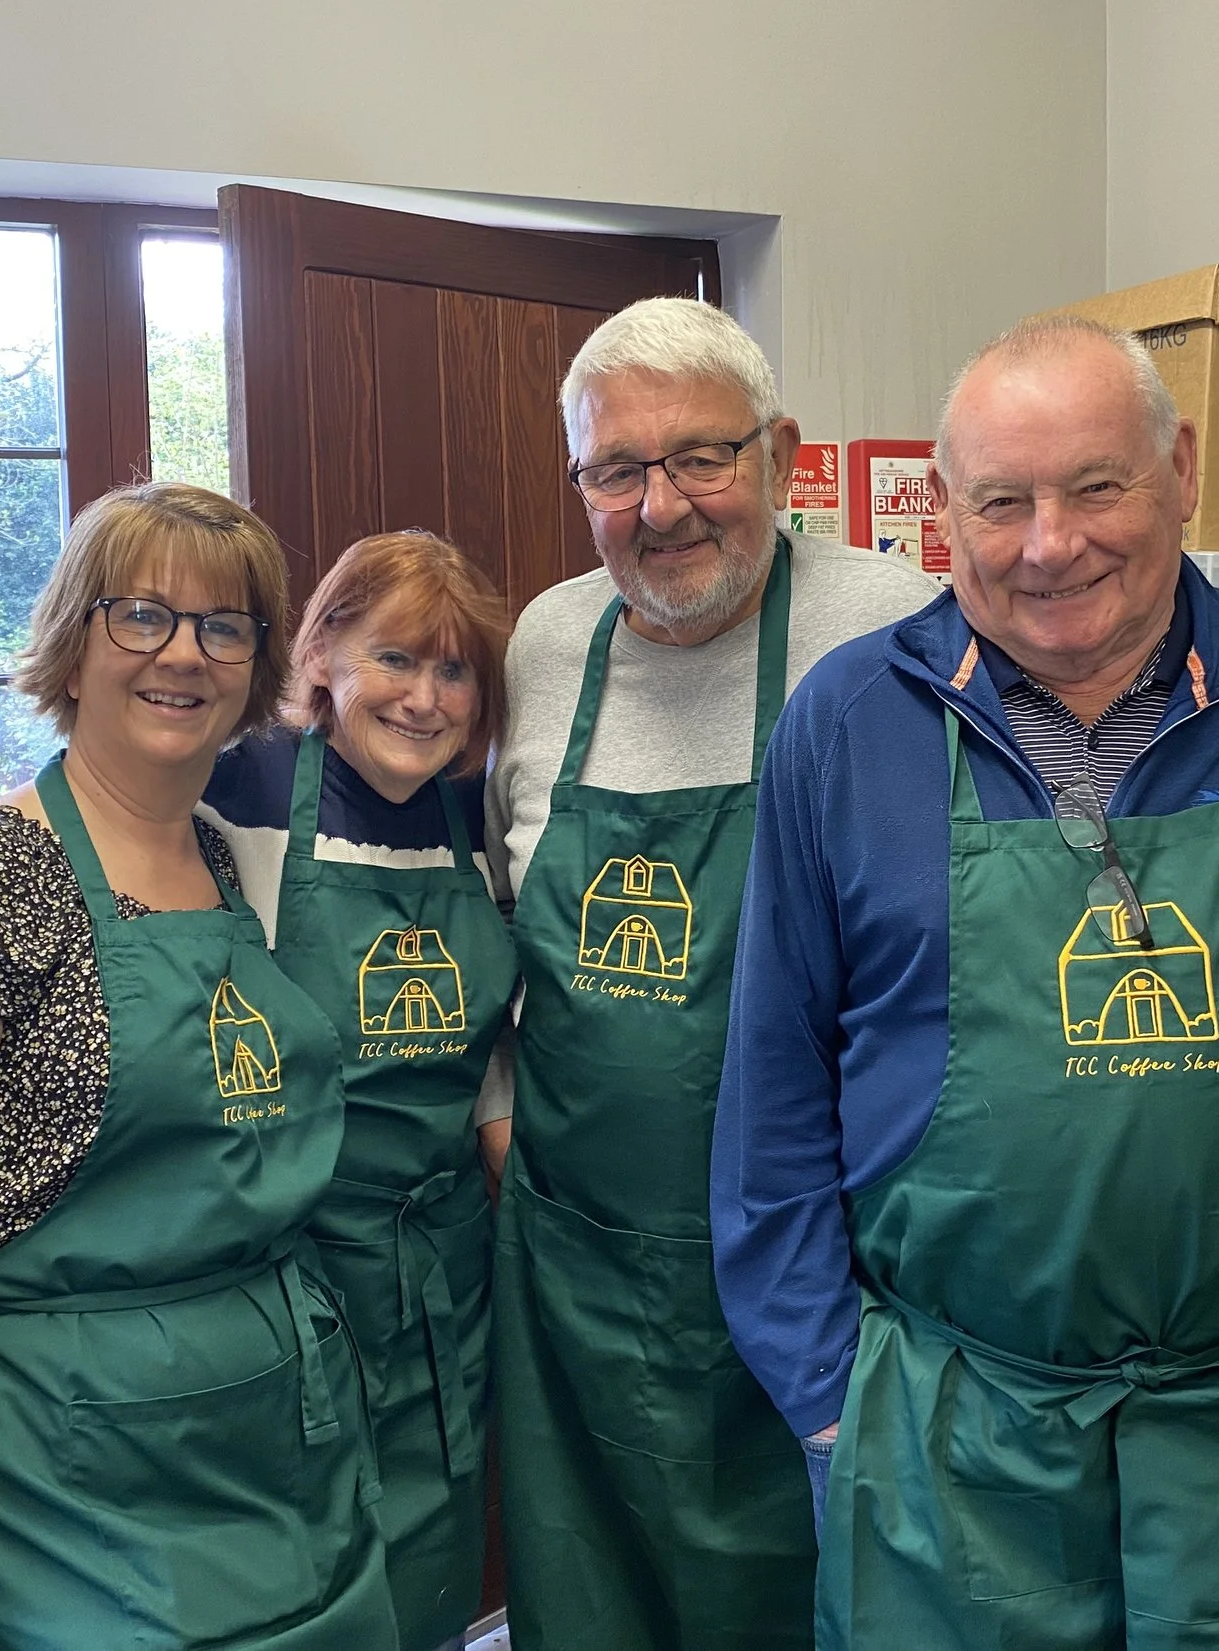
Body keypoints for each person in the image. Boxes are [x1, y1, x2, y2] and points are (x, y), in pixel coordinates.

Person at [716, 314, 1219, 1648]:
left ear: (1182, 469)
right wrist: (831, 1401)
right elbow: (773, 1091)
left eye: (1098, 485)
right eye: (1005, 500)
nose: (1052, 542)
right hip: (941, 1446)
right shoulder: (848, 721)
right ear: (946, 509)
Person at [0, 482, 394, 1650]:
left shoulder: (226, 859)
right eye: (142, 616)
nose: (185, 654)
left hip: (283, 1467)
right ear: (73, 641)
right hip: (61, 1487)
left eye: (226, 627)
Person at [488, 296, 940, 1651]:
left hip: (823, 1268)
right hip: (580, 1273)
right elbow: (475, 907)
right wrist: (500, 1108)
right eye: (615, 469)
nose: (661, 504)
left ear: (784, 454)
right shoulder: (544, 643)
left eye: (701, 456)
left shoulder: (897, 631)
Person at [199, 531, 517, 1651]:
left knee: (428, 1564)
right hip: (288, 1265)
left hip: (443, 1269)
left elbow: (481, 1048)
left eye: (454, 671)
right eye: (395, 660)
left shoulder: (467, 818)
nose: (425, 700)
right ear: (322, 656)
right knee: (300, 1579)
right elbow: (64, 824)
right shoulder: (238, 784)